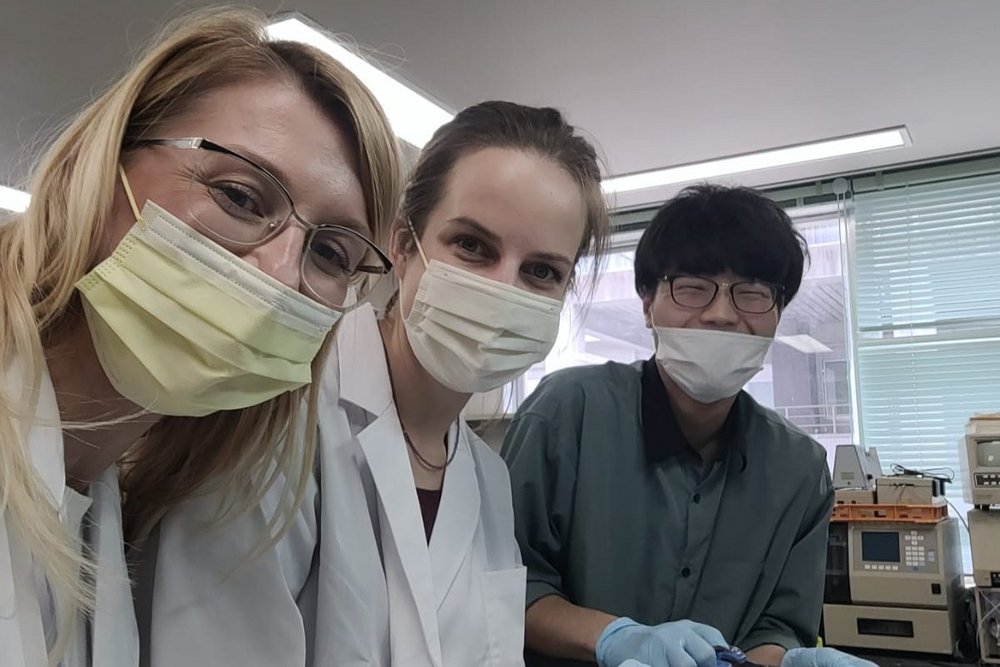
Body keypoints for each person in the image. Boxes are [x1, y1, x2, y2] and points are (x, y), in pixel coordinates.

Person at [138, 100, 611, 666]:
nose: (503, 288)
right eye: (472, 245)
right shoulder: (275, 417)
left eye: (541, 272)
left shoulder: (487, 479)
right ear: (403, 245)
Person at [0, 7, 401, 666]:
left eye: (330, 252)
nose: (279, 275)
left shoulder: (98, 497)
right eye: (241, 197)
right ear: (97, 169)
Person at [503, 185, 874, 667]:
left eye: (752, 293)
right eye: (693, 287)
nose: (721, 315)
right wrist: (615, 638)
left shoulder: (799, 469)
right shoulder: (568, 413)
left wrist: (780, 661)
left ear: (778, 311)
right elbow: (503, 585)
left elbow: (777, 626)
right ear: (646, 302)